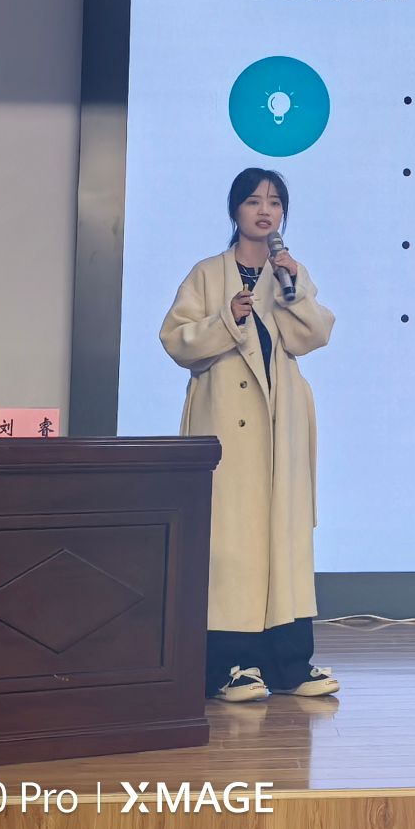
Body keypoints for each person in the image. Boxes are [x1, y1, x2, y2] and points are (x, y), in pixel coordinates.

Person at [160, 167, 339, 702]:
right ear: (235, 209)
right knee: (231, 544)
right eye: (254, 201)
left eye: (275, 202)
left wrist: (291, 291)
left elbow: (314, 335)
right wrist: (226, 319)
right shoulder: (207, 274)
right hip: (226, 425)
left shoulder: (289, 272)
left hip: (281, 425)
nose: (266, 211)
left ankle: (290, 663)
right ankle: (229, 665)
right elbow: (176, 340)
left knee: (283, 539)